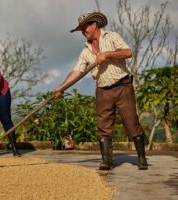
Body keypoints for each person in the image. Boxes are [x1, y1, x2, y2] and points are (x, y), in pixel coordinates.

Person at [53, 12, 148, 170]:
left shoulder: (111, 37)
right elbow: (77, 72)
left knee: (131, 123)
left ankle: (142, 158)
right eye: (81, 30)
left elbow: (128, 52)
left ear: (94, 25)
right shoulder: (86, 51)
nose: (84, 32)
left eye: (85, 28)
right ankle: (106, 161)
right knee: (103, 126)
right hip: (103, 91)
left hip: (123, 86)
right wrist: (61, 88)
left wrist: (107, 54)